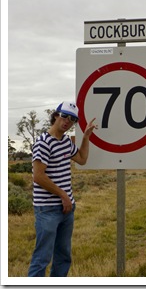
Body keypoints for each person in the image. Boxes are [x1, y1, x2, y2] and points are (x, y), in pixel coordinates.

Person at [28, 101, 97, 277]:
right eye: (64, 116)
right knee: (42, 258)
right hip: (48, 210)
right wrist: (63, 195)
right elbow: (38, 176)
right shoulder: (43, 143)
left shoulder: (65, 142)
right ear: (56, 115)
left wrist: (86, 137)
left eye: (72, 119)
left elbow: (82, 159)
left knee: (63, 257)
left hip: (66, 209)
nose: (67, 121)